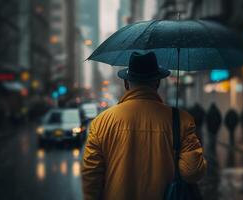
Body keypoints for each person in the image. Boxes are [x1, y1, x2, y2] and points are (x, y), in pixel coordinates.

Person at [81, 52, 207, 200]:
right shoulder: (181, 120)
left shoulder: (101, 122)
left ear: (126, 83)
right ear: (158, 82)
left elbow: (91, 177)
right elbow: (192, 172)